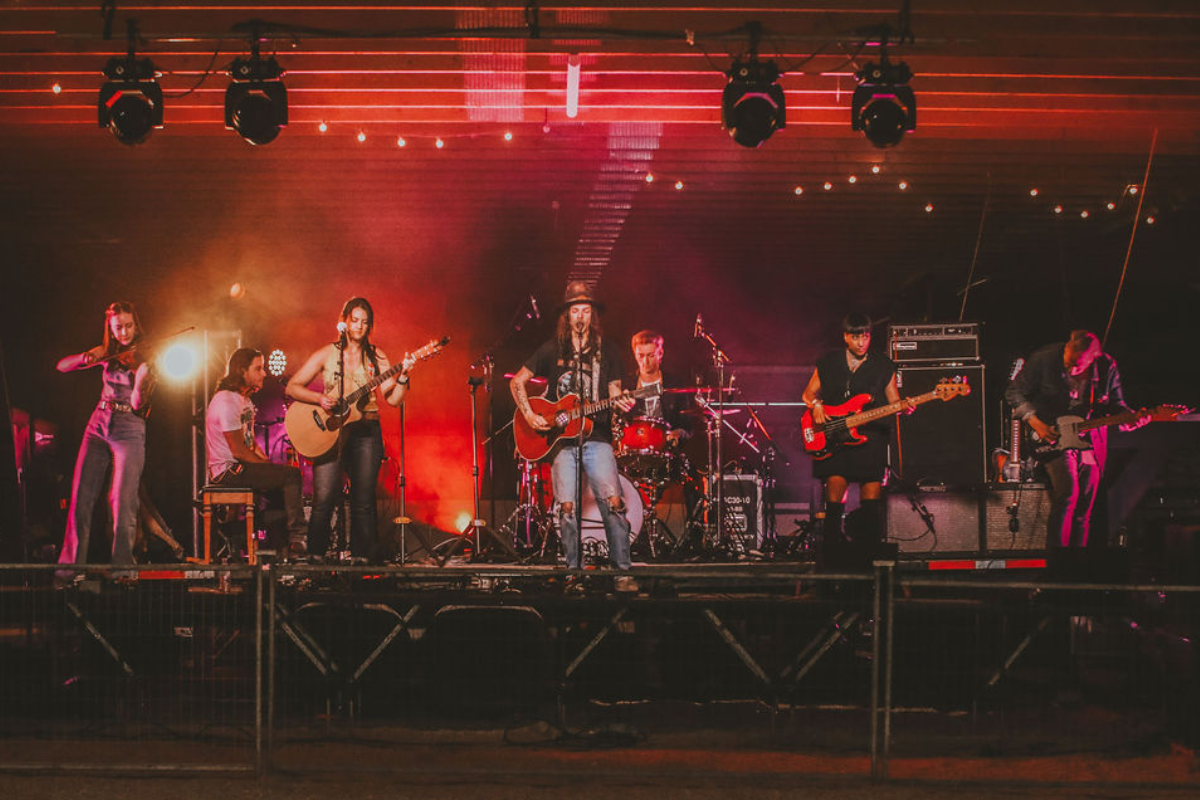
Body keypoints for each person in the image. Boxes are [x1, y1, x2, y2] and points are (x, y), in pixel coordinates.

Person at [509, 281, 639, 592]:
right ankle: (574, 574)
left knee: (614, 502)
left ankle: (622, 573)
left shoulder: (607, 350)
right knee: (566, 508)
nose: (580, 315)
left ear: (592, 315)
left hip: (598, 437)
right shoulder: (552, 348)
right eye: (574, 310)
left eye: (585, 310)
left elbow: (614, 392)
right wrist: (529, 414)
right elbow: (517, 382)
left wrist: (622, 402)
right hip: (562, 440)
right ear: (567, 316)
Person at [286, 298, 409, 563]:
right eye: (355, 320)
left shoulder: (377, 357)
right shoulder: (327, 353)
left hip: (366, 431)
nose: (359, 326)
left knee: (363, 501)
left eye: (365, 322)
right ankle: (316, 560)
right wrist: (319, 399)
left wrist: (404, 377)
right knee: (324, 500)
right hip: (331, 431)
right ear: (345, 320)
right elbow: (292, 386)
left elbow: (394, 399)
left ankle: (363, 561)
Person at [1005, 329, 1149, 548]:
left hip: (1088, 439)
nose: (1071, 370)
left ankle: (1077, 563)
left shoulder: (1106, 366)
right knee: (1068, 496)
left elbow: (1117, 405)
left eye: (1077, 366)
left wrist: (1131, 419)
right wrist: (1036, 423)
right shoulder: (1044, 358)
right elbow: (1014, 392)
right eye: (1068, 363)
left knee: (1085, 506)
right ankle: (1058, 563)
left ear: (1093, 359)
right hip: (1052, 437)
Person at [57, 301, 154, 574]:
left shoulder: (145, 357)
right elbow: (61, 366)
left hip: (129, 427)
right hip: (98, 422)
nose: (124, 333)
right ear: (110, 329)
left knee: (122, 501)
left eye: (129, 326)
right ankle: (69, 571)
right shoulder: (107, 352)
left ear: (137, 324)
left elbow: (137, 404)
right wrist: (85, 359)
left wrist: (142, 378)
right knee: (81, 498)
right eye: (118, 328)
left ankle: (123, 568)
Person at [801, 313, 909, 553]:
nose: (862, 342)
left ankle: (870, 555)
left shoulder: (883, 365)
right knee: (835, 488)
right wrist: (816, 406)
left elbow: (894, 401)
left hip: (870, 437)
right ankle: (831, 553)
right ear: (846, 337)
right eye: (856, 337)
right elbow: (808, 394)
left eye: (866, 336)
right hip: (834, 435)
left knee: (871, 492)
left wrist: (904, 408)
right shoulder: (828, 362)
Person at [206, 348, 308, 558]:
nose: (264, 374)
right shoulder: (226, 401)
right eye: (258, 368)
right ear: (242, 371)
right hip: (228, 471)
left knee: (283, 483)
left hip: (241, 467)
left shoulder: (245, 401)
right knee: (291, 476)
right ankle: (298, 538)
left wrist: (271, 468)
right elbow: (239, 450)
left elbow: (251, 445)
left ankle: (283, 551)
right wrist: (272, 470)